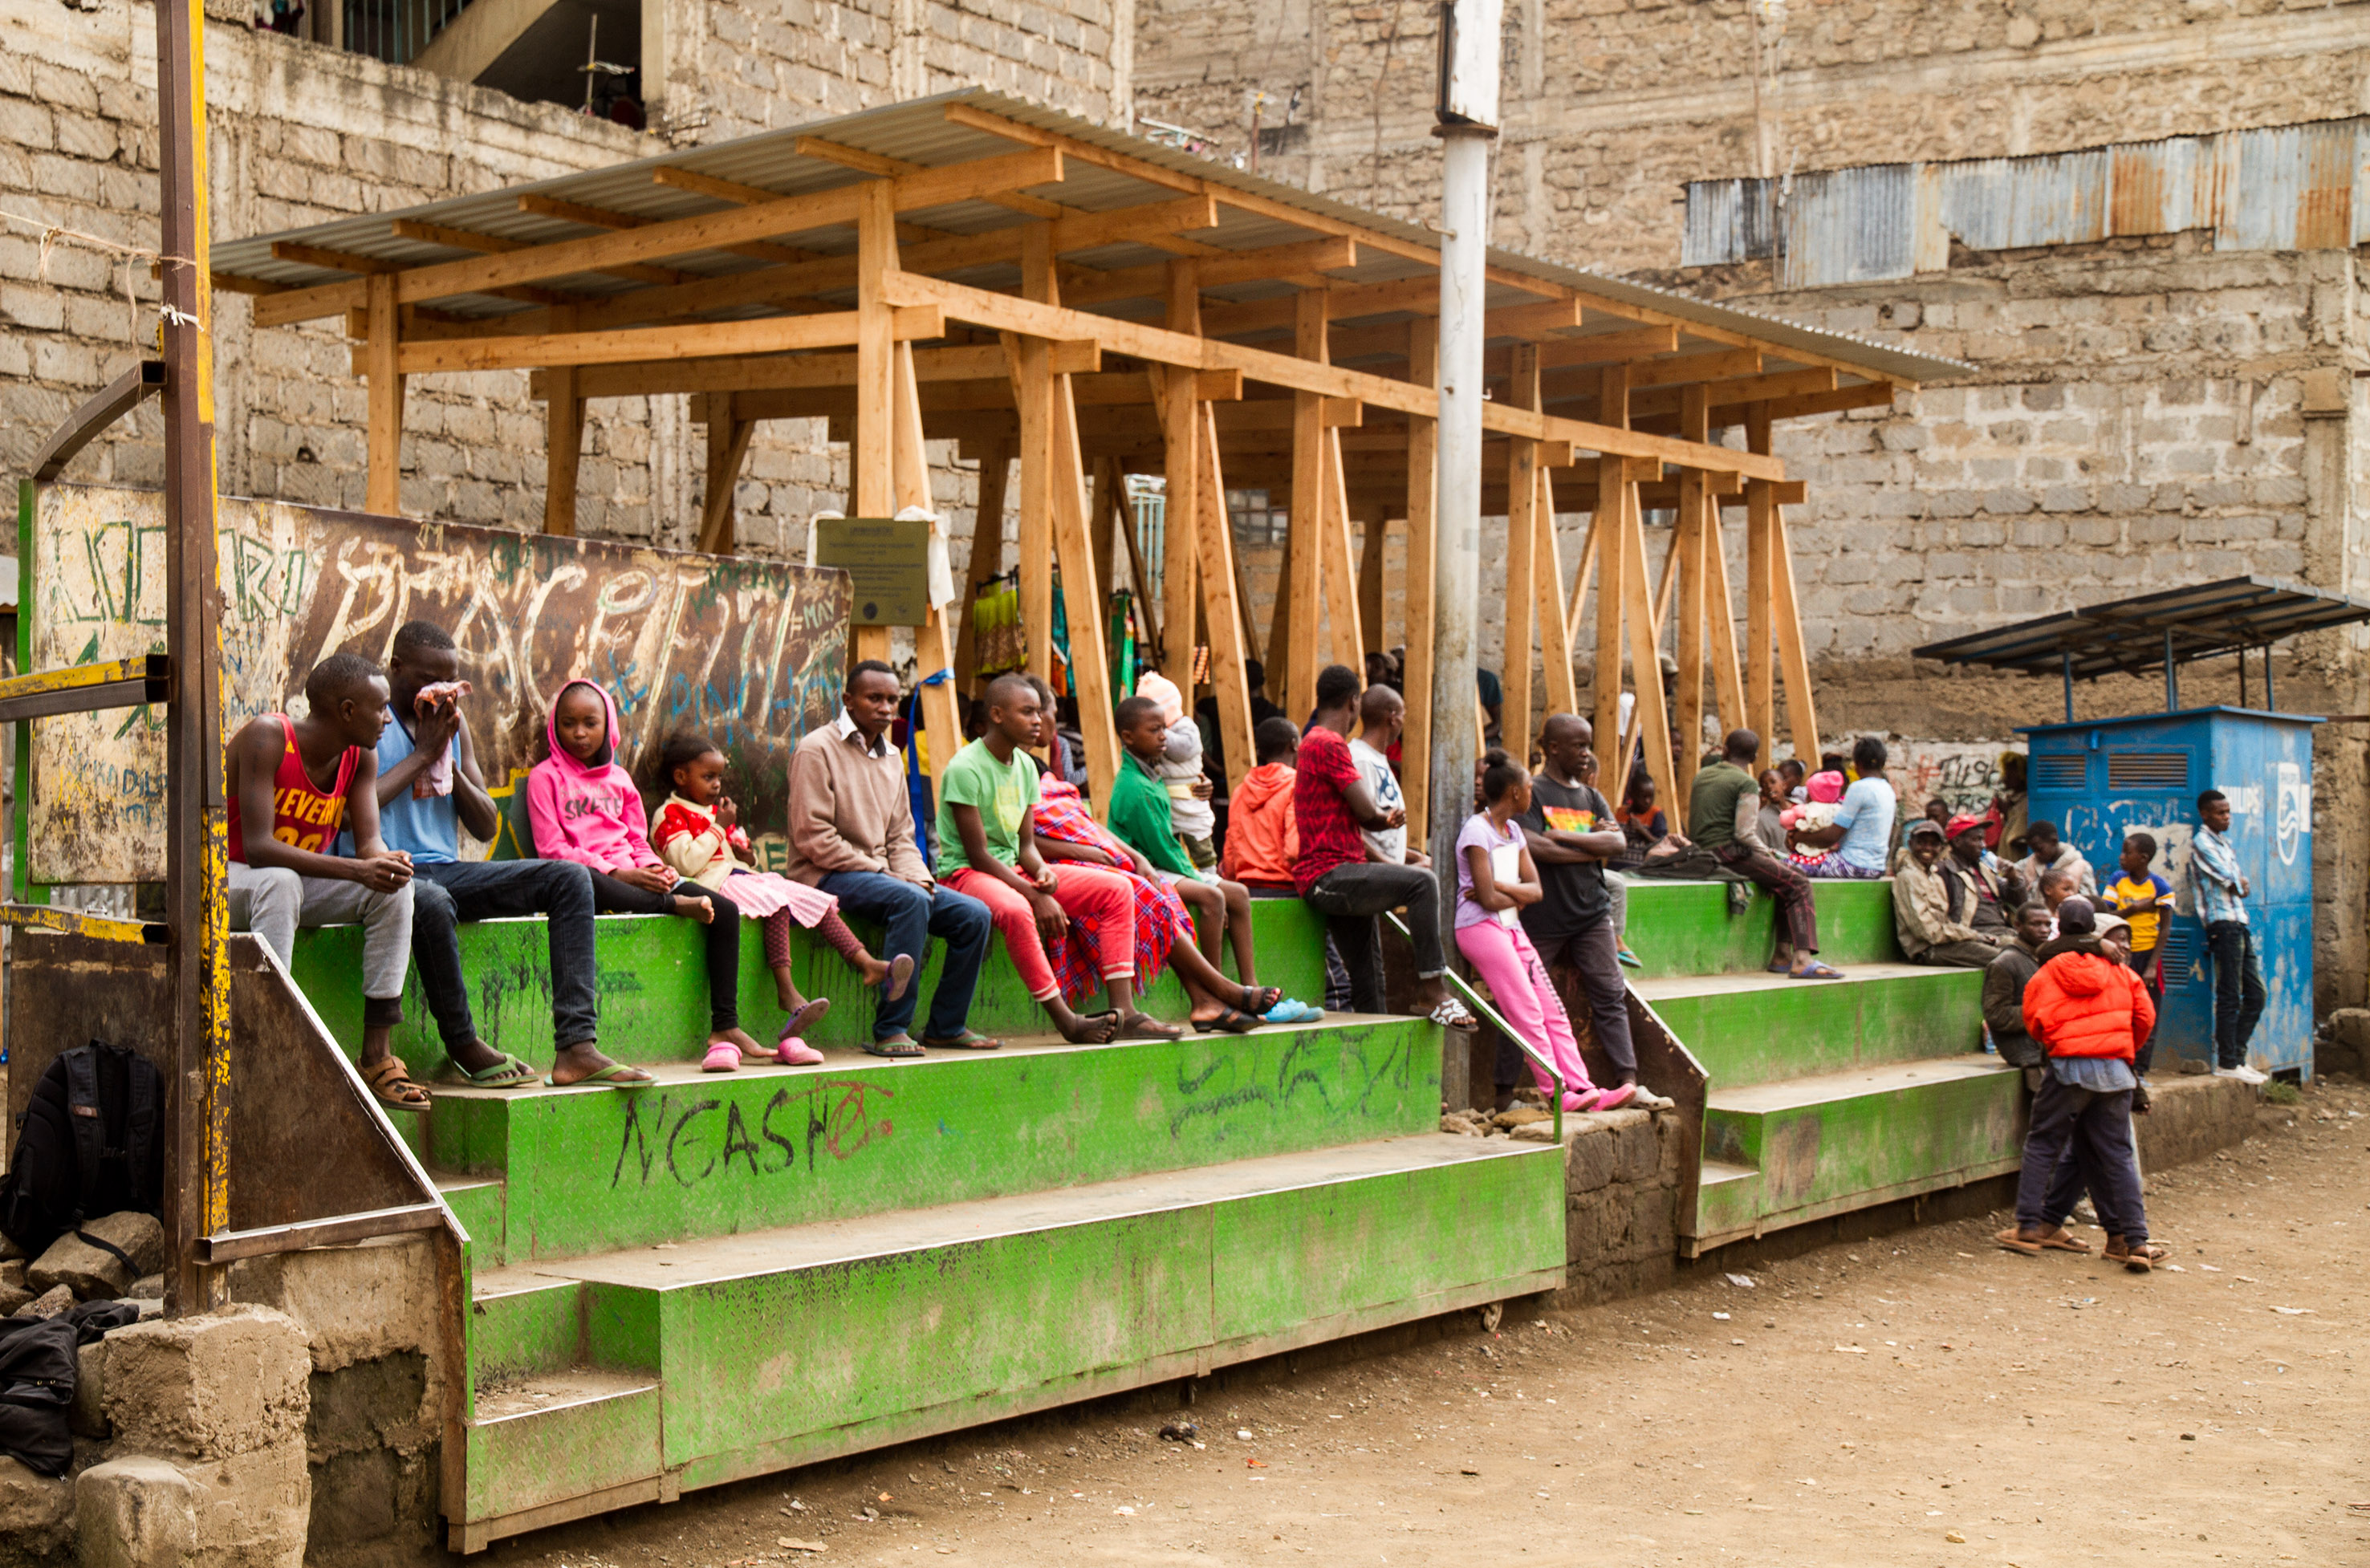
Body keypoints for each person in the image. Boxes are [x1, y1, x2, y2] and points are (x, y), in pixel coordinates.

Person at [368, 620, 647, 1089]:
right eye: (426, 678)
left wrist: (443, 759)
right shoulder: (371, 723)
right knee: (429, 901)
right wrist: (420, 755)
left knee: (569, 879)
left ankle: (577, 1047)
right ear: (396, 669)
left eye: (449, 680)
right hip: (386, 872)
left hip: (447, 869)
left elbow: (484, 825)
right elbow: (355, 807)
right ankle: (463, 1044)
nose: (439, 691)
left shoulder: (452, 729)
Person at [530, 680, 778, 1074]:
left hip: (638, 875)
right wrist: (620, 873)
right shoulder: (545, 778)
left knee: (724, 911)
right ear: (554, 728)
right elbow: (552, 849)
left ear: (607, 725)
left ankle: (725, 1026)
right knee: (580, 878)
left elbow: (636, 837)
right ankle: (671, 904)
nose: (579, 733)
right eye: (568, 723)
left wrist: (652, 867)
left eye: (590, 723)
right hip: (590, 877)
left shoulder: (621, 779)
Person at [228, 653, 425, 1111]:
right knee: (280, 881)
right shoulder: (269, 737)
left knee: (394, 890)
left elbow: (368, 843)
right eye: (380, 710)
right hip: (225, 880)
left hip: (288, 887)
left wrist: (386, 863)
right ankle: (269, 1038)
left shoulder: (360, 756)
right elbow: (258, 848)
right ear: (348, 711)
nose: (387, 722)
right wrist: (359, 870)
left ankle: (377, 1056)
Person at [650, 733, 909, 1061]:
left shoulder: (713, 811)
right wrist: (719, 828)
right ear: (681, 777)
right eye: (708, 777)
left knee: (809, 898)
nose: (717, 785)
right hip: (714, 885)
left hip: (741, 878)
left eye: (719, 777)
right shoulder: (669, 814)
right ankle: (787, 993)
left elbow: (739, 858)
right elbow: (685, 862)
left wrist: (743, 853)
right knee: (778, 903)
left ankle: (867, 963)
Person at [939, 675, 1168, 1043]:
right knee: (1016, 911)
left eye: (1038, 711)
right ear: (996, 715)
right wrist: (1034, 894)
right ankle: (1066, 1020)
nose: (1038, 720)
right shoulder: (965, 767)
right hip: (965, 874)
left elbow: (1025, 845)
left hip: (1013, 869)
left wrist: (1042, 873)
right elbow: (979, 856)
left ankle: (1124, 1010)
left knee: (1117, 889)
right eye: (1027, 712)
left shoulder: (1027, 767)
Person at [784, 660, 998, 1055]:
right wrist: (887, 874)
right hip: (825, 874)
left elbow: (902, 835)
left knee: (974, 915)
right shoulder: (816, 749)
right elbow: (814, 839)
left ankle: (946, 1026)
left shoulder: (890, 757)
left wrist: (920, 877)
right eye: (874, 698)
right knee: (909, 899)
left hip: (880, 875)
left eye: (892, 700)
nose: (885, 707)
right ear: (848, 700)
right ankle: (891, 1028)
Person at [1105, 694, 1309, 1029]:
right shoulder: (1134, 786)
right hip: (1145, 871)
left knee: (1239, 894)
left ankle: (1251, 989)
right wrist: (1201, 877)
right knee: (1212, 896)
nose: (1163, 737)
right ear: (1128, 737)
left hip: (1165, 864)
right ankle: (1215, 995)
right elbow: (1162, 850)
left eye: (1164, 729)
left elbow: (1178, 809)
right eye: (1154, 730)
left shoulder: (1152, 770)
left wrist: (1201, 787)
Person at [1294, 664, 1477, 1027]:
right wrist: (1385, 817)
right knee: (1421, 883)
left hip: (1340, 873)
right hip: (1329, 876)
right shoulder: (1329, 743)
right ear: (1353, 702)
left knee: (1369, 979)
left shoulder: (1313, 740)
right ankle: (1433, 991)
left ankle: (1373, 1053)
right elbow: (1365, 812)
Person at [1457, 751, 1635, 1113]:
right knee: (1526, 1009)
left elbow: (1534, 892)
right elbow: (1486, 899)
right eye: (1526, 788)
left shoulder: (1515, 831)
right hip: (1480, 928)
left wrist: (1503, 889)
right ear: (1514, 793)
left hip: (1510, 925)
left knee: (1552, 1009)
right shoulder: (1477, 830)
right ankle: (1555, 1091)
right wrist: (1507, 891)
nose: (1531, 793)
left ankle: (1583, 1088)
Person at [1999, 897, 2165, 1273]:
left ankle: (2028, 1225)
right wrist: (2121, 1049)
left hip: (2068, 1068)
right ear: (2094, 930)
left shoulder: (2045, 971)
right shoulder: (2123, 972)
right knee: (2117, 1154)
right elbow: (2145, 1016)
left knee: (2043, 1143)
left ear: (2059, 927)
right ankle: (2135, 1241)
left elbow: (2034, 1021)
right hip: (2116, 1070)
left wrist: (2060, 1044)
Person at [1515, 713, 1665, 1106]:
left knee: (1611, 993)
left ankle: (1628, 1081)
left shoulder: (1592, 796)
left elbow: (1615, 846)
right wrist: (1588, 847)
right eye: (1578, 746)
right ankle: (1504, 1092)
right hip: (1543, 918)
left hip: (1592, 915)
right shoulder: (1533, 792)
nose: (1586, 754)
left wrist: (1564, 838)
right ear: (1552, 748)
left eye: (1588, 745)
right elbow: (1532, 845)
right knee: (1523, 999)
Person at [1687, 729, 1838, 978]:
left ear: (1724, 750)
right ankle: (1802, 959)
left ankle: (1782, 955)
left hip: (1700, 851)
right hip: (1729, 853)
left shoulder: (1702, 776)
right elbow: (1744, 834)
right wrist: (1767, 857)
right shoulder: (1745, 783)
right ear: (1755, 757)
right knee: (1798, 883)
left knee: (1788, 875)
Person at [2189, 789, 2266, 1083]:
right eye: (2220, 813)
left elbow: (2242, 886)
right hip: (2222, 925)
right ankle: (2228, 1062)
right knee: (2230, 994)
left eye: (2228, 812)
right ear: (2205, 814)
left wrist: (2240, 883)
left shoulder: (2224, 843)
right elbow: (2234, 882)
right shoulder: (2201, 843)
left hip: (2238, 921)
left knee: (2256, 994)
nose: (2226, 817)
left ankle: (2237, 1056)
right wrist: (2239, 883)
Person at [2102, 832, 2172, 1075]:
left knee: (2147, 1013)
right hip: (2122, 956)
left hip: (2148, 954)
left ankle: (2140, 1071)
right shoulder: (2117, 880)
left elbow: (2165, 929)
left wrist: (2153, 965)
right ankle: (2120, 1065)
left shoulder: (2160, 886)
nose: (2121, 857)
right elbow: (2105, 915)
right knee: (2119, 1011)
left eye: (2127, 853)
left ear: (2143, 858)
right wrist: (2133, 909)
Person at [1893, 818, 2007, 968]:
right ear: (1910, 844)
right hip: (1927, 949)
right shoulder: (1908, 876)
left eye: (1933, 844)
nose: (1927, 848)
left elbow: (1945, 921)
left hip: (1946, 941)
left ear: (1940, 848)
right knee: (2005, 959)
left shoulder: (1933, 875)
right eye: (1921, 843)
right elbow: (1926, 930)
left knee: (2014, 951)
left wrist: (1972, 936)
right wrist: (1972, 935)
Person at [1132, 672, 1218, 871]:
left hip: (1189, 797)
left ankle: (1211, 877)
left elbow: (1184, 749)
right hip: (1164, 800)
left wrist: (1158, 733)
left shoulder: (1185, 726)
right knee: (1168, 846)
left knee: (1200, 845)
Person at [1789, 737, 1897, 879]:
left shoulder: (1859, 788)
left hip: (1853, 864)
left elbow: (1830, 837)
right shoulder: (1888, 790)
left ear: (1857, 764)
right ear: (1883, 764)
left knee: (1787, 865)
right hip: (1877, 867)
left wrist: (1797, 837)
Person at [1349, 684, 1427, 867]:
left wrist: (1416, 858)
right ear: (1392, 718)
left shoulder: (1375, 759)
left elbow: (1381, 837)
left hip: (1387, 873)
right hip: (1374, 876)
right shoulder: (1361, 761)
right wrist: (1398, 869)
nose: (1403, 722)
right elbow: (1353, 833)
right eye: (1402, 716)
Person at [1220, 717, 1300, 891]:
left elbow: (1230, 851)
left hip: (1246, 888)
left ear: (1261, 752)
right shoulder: (1296, 786)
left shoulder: (1241, 790)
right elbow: (1295, 850)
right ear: (1294, 744)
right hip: (1287, 887)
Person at [1983, 900, 2056, 1081]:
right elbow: (1996, 1015)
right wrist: (2043, 1011)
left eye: (2048, 924)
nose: (2044, 930)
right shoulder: (2004, 963)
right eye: (2036, 924)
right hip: (2022, 1047)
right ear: (2018, 926)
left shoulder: (2043, 957)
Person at [1941, 812, 2025, 944]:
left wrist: (2014, 880)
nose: (1983, 845)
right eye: (1976, 840)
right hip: (1976, 935)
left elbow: (2019, 902)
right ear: (1957, 842)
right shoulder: (1946, 871)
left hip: (2003, 930)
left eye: (1983, 839)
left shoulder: (1983, 870)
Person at [2014, 821, 2096, 899]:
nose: (2037, 854)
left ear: (2054, 841)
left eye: (2039, 849)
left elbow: (2089, 900)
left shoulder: (2080, 867)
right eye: (2034, 851)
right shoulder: (2030, 863)